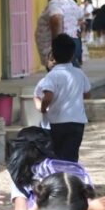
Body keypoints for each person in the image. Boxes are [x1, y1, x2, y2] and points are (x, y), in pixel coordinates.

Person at [33, 34, 91, 163]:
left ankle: (60, 174)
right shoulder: (79, 73)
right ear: (73, 55)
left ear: (53, 54)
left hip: (58, 123)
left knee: (57, 155)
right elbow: (87, 94)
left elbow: (48, 97)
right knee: (72, 155)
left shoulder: (52, 76)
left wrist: (43, 108)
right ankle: (71, 172)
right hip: (77, 122)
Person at [35, 0, 85, 70]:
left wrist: (56, 45)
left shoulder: (55, 3)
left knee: (61, 74)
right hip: (72, 42)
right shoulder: (70, 1)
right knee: (71, 72)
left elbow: (56, 18)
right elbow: (80, 17)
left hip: (62, 48)